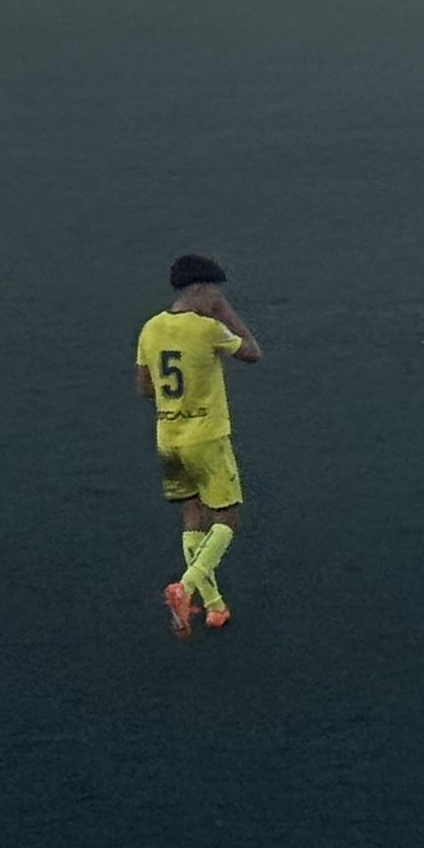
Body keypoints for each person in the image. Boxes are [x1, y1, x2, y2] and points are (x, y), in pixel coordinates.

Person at [136, 255, 261, 637]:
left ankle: (215, 606)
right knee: (227, 519)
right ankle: (186, 587)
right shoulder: (208, 329)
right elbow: (252, 352)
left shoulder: (150, 329)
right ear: (202, 289)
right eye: (214, 292)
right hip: (206, 439)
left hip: (168, 439)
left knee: (192, 514)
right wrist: (225, 313)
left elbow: (144, 387)